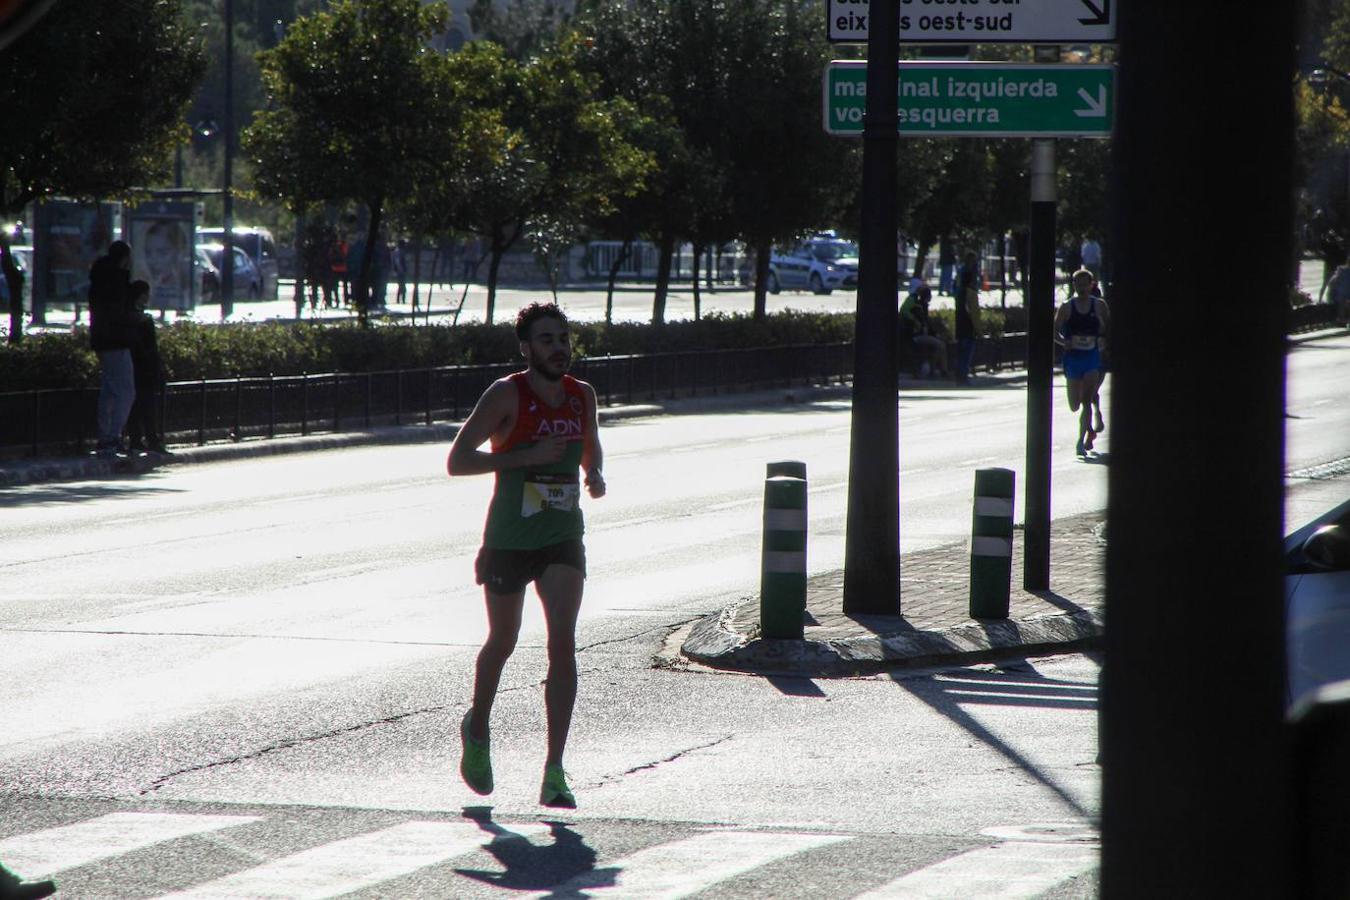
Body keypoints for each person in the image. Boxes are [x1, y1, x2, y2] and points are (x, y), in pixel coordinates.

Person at [447, 302, 606, 809]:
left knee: (563, 640)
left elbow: (591, 444)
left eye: (563, 338)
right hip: (510, 538)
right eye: (546, 339)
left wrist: (594, 473)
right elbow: (457, 461)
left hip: (562, 535)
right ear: (526, 347)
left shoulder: (583, 396)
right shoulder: (505, 394)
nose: (558, 347)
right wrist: (522, 458)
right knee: (504, 639)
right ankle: (478, 725)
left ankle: (555, 768)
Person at [88, 241, 138, 458]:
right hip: (116, 339)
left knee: (109, 389)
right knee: (126, 391)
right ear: (125, 258)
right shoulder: (117, 282)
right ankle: (113, 436)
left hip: (100, 339)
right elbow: (120, 312)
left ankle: (104, 434)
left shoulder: (98, 279)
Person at [1055, 269, 1112, 457]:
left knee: (1087, 400)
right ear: (1074, 285)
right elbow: (1054, 332)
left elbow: (1109, 328)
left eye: (1085, 284)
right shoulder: (1066, 307)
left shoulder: (1099, 306)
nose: (1081, 288)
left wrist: (1103, 340)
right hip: (1073, 359)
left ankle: (1080, 441)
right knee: (1075, 405)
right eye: (1077, 284)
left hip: (1091, 358)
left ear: (1091, 285)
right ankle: (1089, 425)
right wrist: (1065, 342)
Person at [127, 280, 169, 455]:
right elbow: (148, 346)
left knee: (140, 404)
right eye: (146, 293)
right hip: (142, 366)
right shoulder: (139, 319)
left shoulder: (137, 316)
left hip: (139, 365)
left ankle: (138, 439)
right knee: (146, 404)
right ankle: (148, 439)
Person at [899, 277, 947, 379]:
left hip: (918, 334)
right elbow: (903, 310)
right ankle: (941, 371)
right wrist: (915, 321)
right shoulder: (913, 299)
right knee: (940, 345)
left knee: (938, 346)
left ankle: (935, 370)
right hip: (916, 335)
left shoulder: (917, 300)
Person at [953, 252, 981, 384]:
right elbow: (975, 313)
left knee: (960, 352)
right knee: (967, 352)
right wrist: (978, 328)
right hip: (969, 327)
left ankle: (959, 374)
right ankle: (963, 376)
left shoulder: (959, 293)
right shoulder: (971, 294)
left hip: (960, 324)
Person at [393, 238, 409, 305]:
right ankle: (401, 300)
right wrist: (401, 270)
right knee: (402, 286)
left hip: (400, 271)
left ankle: (400, 300)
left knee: (401, 286)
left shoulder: (398, 251)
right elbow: (398, 262)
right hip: (401, 272)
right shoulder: (399, 252)